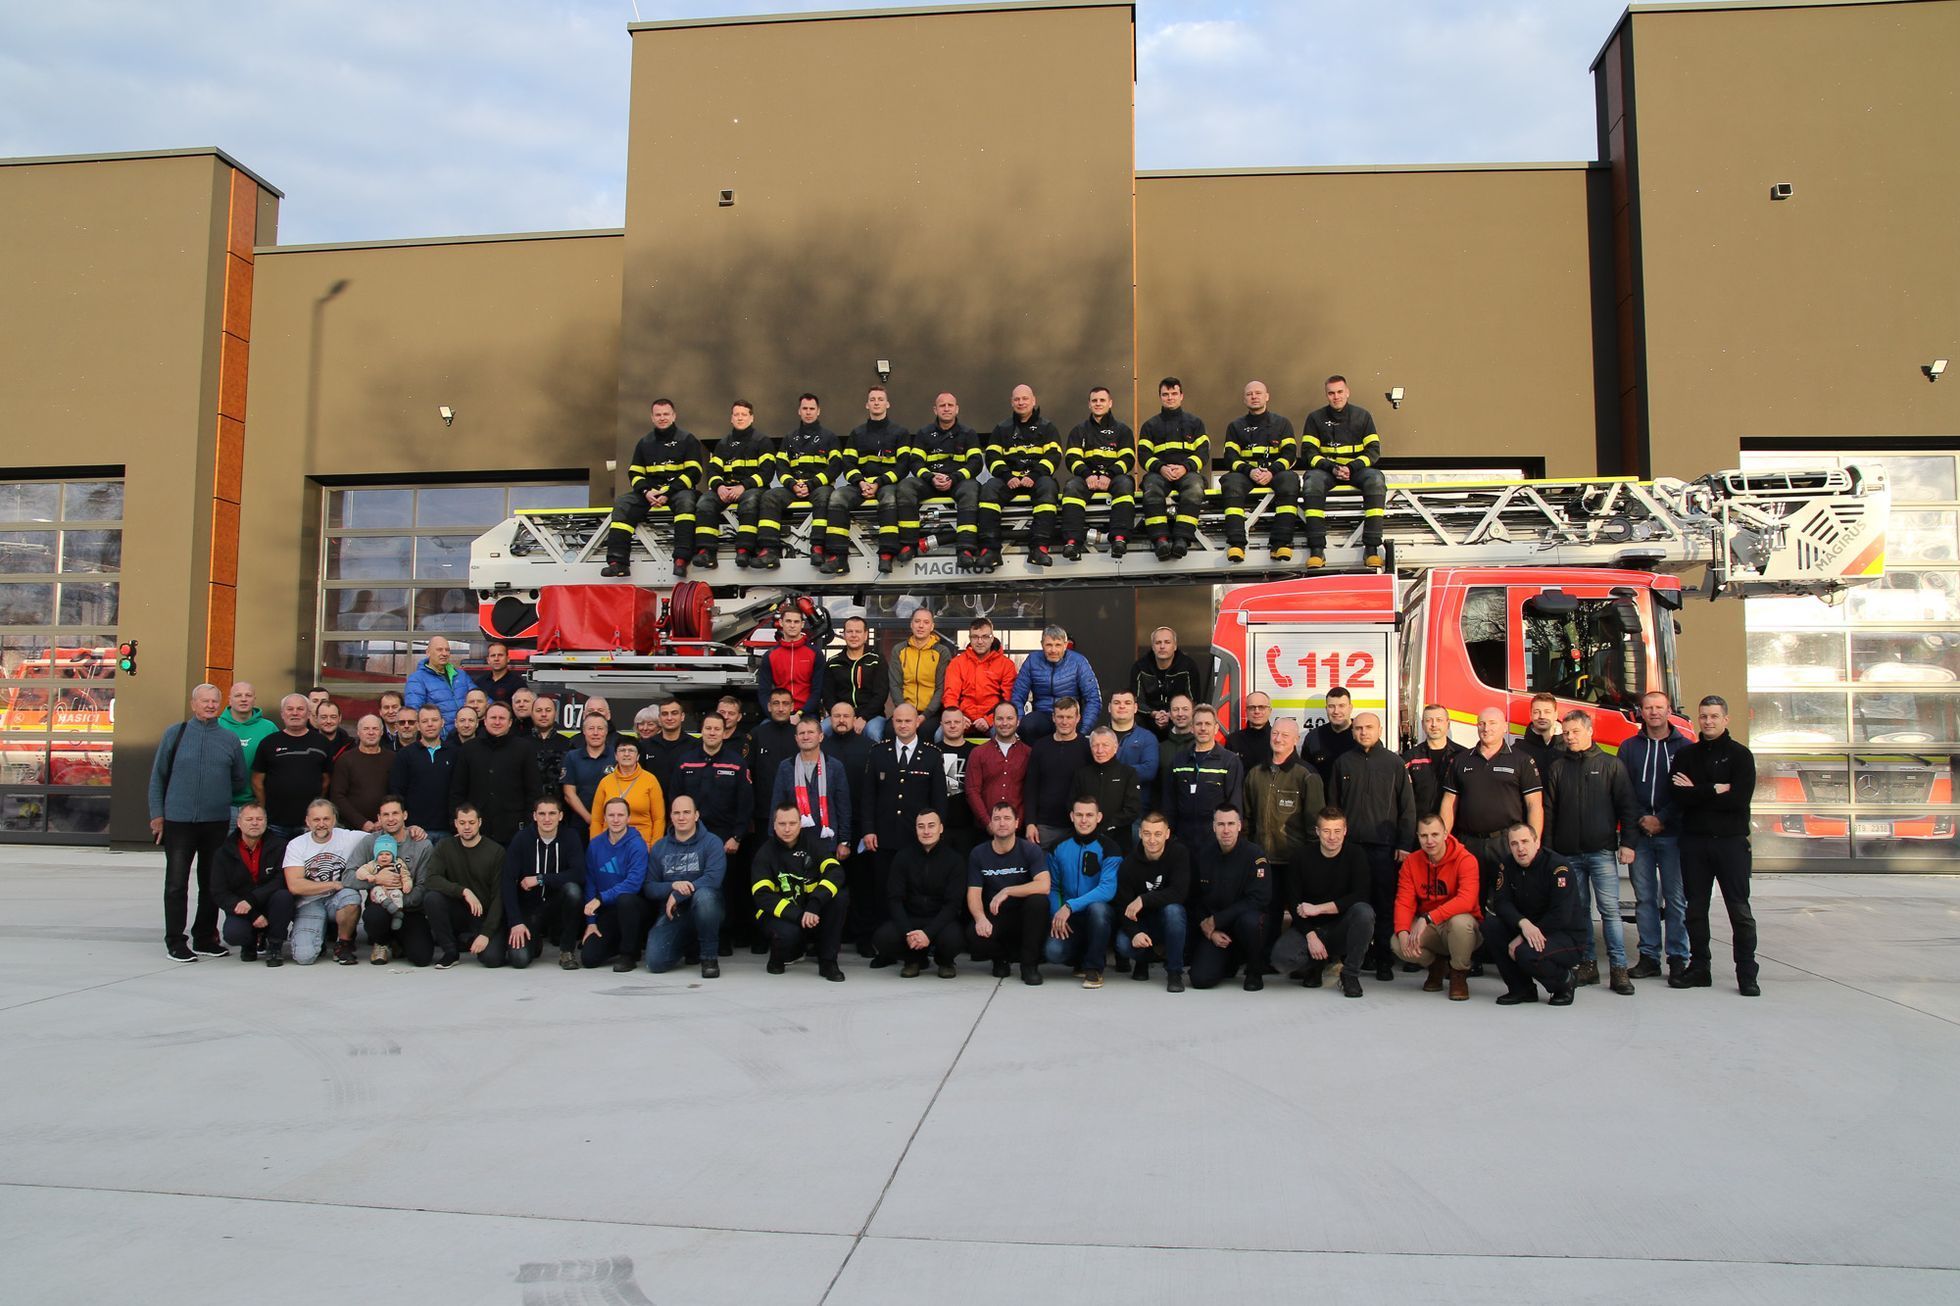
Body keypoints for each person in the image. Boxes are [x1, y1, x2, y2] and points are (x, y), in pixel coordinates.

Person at [149, 682, 249, 961]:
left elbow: (239, 778)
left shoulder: (229, 739)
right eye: (204, 701)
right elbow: (158, 777)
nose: (210, 705)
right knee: (176, 883)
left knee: (211, 883)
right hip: (178, 821)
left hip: (215, 822)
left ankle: (205, 937)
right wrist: (157, 815)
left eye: (214, 701)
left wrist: (216, 795)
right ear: (193, 704)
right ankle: (175, 941)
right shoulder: (175, 734)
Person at [1543, 710, 1640, 994]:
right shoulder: (1558, 768)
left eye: (1575, 731)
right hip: (1568, 854)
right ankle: (1587, 965)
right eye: (1566, 732)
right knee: (1580, 911)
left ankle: (1619, 969)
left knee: (1610, 911)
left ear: (1589, 731)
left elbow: (1628, 807)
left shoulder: (1611, 765)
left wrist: (1628, 843)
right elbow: (1549, 812)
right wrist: (1549, 852)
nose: (1570, 737)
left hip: (1602, 852)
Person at [1668, 695, 1760, 995]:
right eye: (1704, 716)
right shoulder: (1686, 755)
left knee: (1739, 911)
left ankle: (1747, 973)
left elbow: (1739, 800)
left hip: (1731, 844)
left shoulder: (1741, 756)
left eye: (1714, 716)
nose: (1708, 721)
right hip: (1694, 843)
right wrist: (1714, 789)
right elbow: (1678, 797)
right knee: (1695, 909)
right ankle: (1699, 969)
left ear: (1726, 719)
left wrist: (1696, 792)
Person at [1330, 711, 1417, 980]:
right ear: (1352, 731)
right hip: (1351, 848)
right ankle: (1357, 956)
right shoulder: (1343, 763)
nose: (1363, 732)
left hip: (1384, 848)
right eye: (1358, 728)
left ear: (1380, 730)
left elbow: (1408, 808)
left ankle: (1383, 960)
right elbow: (1333, 807)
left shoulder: (1394, 763)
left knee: (1383, 904)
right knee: (1354, 904)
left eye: (1369, 727)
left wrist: (1404, 844)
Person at [857, 703, 946, 960]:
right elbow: (868, 797)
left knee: (914, 893)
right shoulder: (878, 752)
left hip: (918, 839)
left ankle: (917, 947)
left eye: (908, 721)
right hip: (884, 837)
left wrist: (936, 836)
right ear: (892, 723)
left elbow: (939, 801)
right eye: (898, 721)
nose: (903, 725)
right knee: (884, 891)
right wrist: (868, 830)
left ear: (917, 723)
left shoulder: (931, 754)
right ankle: (886, 948)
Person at [1620, 689, 1693, 983]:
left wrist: (1661, 819)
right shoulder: (1629, 748)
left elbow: (1686, 793)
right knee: (1645, 899)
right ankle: (1649, 957)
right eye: (1648, 707)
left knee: (1676, 898)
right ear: (1641, 712)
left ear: (1669, 710)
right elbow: (1623, 791)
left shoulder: (1685, 748)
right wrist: (1642, 819)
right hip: (1640, 836)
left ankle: (1677, 957)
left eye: (1659, 707)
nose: (1653, 712)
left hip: (1673, 835)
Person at [602, 397, 707, 578]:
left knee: (687, 501)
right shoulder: (644, 443)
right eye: (658, 415)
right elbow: (634, 473)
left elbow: (694, 472)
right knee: (623, 503)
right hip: (649, 492)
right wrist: (646, 491)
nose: (662, 418)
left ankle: (681, 559)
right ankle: (617, 562)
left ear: (674, 416)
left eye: (666, 414)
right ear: (652, 417)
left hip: (677, 491)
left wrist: (669, 492)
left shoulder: (687, 440)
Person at [1487, 821, 1584, 1006]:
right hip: (1529, 927)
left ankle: (1564, 982)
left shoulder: (1557, 867)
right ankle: (1521, 989)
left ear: (1536, 842)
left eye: (1525, 841)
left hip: (1564, 935)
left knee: (1525, 952)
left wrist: (1524, 936)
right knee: (1491, 926)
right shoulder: (1507, 865)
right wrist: (1523, 924)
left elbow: (1561, 915)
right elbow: (1502, 903)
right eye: (1514, 844)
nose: (1520, 848)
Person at [1282, 806, 1374, 997]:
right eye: (1326, 831)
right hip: (1311, 929)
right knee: (1282, 959)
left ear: (1345, 831)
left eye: (1337, 831)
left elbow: (1361, 895)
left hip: (1341, 929)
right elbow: (1293, 902)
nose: (1332, 837)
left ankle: (1349, 974)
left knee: (1364, 912)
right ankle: (1315, 964)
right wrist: (1310, 936)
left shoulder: (1356, 855)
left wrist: (1318, 909)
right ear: (1317, 831)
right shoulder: (1301, 857)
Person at [750, 802, 848, 980]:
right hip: (783, 916)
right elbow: (762, 896)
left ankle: (828, 961)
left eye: (792, 823)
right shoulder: (764, 853)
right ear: (774, 825)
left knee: (840, 897)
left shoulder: (814, 845)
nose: (787, 829)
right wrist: (798, 915)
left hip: (811, 912)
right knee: (788, 935)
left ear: (800, 824)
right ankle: (778, 956)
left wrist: (815, 903)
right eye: (782, 824)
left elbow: (835, 872)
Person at [1390, 813, 1482, 1000]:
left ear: (1446, 834)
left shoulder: (1465, 859)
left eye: (1435, 834)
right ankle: (1436, 966)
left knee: (1460, 923)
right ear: (1418, 837)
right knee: (1397, 943)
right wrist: (1403, 931)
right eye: (1424, 836)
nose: (1429, 841)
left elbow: (1467, 900)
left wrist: (1428, 917)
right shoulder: (1411, 862)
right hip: (1431, 926)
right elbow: (1404, 901)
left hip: (1461, 927)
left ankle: (1458, 974)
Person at [1300, 374, 1387, 569]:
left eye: (1340, 392)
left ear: (1348, 392)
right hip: (1326, 471)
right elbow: (1308, 453)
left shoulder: (1363, 416)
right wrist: (1332, 468)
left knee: (1376, 480)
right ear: (1326, 395)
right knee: (1312, 482)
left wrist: (1352, 467)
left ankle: (1372, 549)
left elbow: (1373, 451)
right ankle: (1316, 550)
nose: (1336, 397)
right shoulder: (1315, 418)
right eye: (1331, 393)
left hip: (1357, 470)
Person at [894, 391, 983, 569]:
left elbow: (976, 463)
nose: (946, 408)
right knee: (905, 487)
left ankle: (965, 549)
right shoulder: (923, 433)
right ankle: (908, 545)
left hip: (958, 482)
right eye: (942, 405)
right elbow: (915, 462)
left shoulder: (968, 433)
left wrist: (954, 477)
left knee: (971, 489)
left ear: (957, 409)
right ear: (935, 410)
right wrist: (931, 477)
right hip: (930, 482)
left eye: (950, 405)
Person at [872, 808, 966, 977]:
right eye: (921, 826)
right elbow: (894, 899)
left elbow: (953, 904)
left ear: (941, 828)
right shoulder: (903, 857)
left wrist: (928, 933)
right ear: (915, 829)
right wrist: (908, 932)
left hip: (940, 919)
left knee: (954, 939)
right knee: (883, 938)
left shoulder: (954, 860)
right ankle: (913, 960)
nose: (926, 831)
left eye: (931, 826)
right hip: (911, 918)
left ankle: (945, 961)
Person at [965, 802, 1052, 984]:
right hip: (996, 914)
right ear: (990, 823)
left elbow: (1044, 885)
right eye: (997, 819)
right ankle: (1001, 958)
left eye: (1007, 818)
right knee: (974, 934)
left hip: (1024, 915)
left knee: (1039, 902)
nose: (1002, 823)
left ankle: (1029, 966)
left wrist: (1008, 890)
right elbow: (973, 893)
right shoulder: (978, 853)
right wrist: (980, 918)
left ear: (1017, 823)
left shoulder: (1030, 850)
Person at [824, 385, 906, 576]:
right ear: (867, 405)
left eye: (880, 399)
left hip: (886, 484)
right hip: (860, 485)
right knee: (837, 498)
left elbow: (902, 466)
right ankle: (838, 557)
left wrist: (878, 483)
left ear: (887, 404)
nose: (876, 403)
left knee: (889, 499)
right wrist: (860, 482)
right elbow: (848, 464)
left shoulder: (900, 433)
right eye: (872, 400)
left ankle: (886, 555)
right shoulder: (857, 433)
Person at [979, 383, 1063, 568]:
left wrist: (1034, 475)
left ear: (1033, 401)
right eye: (1017, 399)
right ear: (1011, 402)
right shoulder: (1002, 428)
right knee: (989, 489)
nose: (1021, 402)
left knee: (1048, 487)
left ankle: (1039, 548)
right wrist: (1007, 476)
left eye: (1025, 398)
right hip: (1009, 480)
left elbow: (1054, 456)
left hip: (1037, 480)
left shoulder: (1047, 427)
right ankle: (991, 551)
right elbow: (992, 457)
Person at [643, 795, 728, 978]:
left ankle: (709, 957)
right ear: (671, 816)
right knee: (655, 963)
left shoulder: (712, 842)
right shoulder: (660, 847)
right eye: (677, 813)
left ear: (696, 815)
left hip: (707, 908)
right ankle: (690, 943)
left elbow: (713, 879)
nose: (681, 817)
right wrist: (673, 886)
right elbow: (649, 887)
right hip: (675, 914)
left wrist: (678, 894)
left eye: (687, 812)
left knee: (705, 896)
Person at [1189, 805, 1272, 991]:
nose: (1226, 830)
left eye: (1231, 824)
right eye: (1221, 824)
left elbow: (1259, 899)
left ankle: (1254, 971)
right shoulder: (1204, 855)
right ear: (1213, 827)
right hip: (1217, 930)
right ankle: (1230, 961)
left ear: (1239, 826)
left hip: (1243, 925)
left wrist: (1217, 920)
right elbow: (1195, 899)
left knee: (1251, 922)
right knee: (1200, 979)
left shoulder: (1255, 855)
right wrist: (1209, 930)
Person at [1040, 796, 1121, 986]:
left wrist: (1070, 906)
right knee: (1053, 952)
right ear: (1072, 816)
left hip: (1098, 916)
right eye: (1079, 815)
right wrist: (1057, 914)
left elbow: (1107, 890)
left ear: (1098, 817)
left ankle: (1093, 969)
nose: (1084, 820)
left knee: (1098, 909)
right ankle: (1079, 960)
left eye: (1089, 815)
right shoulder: (1058, 846)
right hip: (1070, 917)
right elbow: (1053, 886)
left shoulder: (1110, 848)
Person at [499, 794, 586, 971]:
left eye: (552, 813)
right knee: (519, 960)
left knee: (573, 891)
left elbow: (579, 874)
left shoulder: (570, 837)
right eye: (542, 814)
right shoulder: (522, 839)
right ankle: (535, 941)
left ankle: (567, 951)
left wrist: (540, 878)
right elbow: (507, 881)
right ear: (534, 816)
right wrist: (515, 921)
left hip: (557, 906)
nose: (547, 819)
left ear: (560, 816)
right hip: (530, 909)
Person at [1219, 380, 1300, 562]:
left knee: (1290, 480)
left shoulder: (1282, 423)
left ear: (1267, 396)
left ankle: (1281, 544)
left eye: (1258, 393)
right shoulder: (1235, 426)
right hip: (1246, 475)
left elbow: (1289, 454)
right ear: (1244, 399)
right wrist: (1249, 471)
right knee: (1231, 482)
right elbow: (1230, 457)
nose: (1254, 397)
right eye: (1249, 394)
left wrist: (1272, 471)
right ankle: (1237, 545)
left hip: (1275, 473)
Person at [351, 796, 437, 964]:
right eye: (385, 814)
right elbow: (348, 876)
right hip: (380, 907)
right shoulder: (370, 842)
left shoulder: (422, 845)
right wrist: (375, 879)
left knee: (422, 958)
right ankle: (381, 942)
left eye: (395, 813)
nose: (390, 819)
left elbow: (423, 885)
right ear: (379, 818)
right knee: (374, 916)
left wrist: (399, 902)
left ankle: (398, 941)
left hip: (411, 909)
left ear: (405, 815)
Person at [280, 798, 367, 966]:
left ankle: (343, 944)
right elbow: (295, 886)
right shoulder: (296, 845)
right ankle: (315, 938)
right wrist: (333, 885)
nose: (321, 824)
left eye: (326, 819)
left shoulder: (349, 837)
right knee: (304, 957)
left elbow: (381, 836)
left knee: (351, 897)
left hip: (338, 898)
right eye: (316, 819)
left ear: (334, 819)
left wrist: (412, 830)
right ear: (307, 821)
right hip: (309, 902)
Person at [1112, 811, 1190, 990]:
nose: (1152, 840)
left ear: (1167, 834)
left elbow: (1179, 893)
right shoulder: (1128, 864)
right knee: (1123, 943)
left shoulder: (1178, 853)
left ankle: (1174, 972)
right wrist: (1135, 933)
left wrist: (1143, 899)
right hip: (1142, 922)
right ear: (1140, 833)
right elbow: (1122, 906)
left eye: (1157, 834)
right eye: (1147, 833)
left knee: (1174, 910)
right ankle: (1142, 961)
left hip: (1166, 921)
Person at [767, 393, 843, 570]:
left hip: (819, 486)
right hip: (793, 487)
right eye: (805, 409)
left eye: (812, 409)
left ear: (818, 411)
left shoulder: (829, 437)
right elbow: (781, 468)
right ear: (799, 411)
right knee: (769, 497)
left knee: (824, 498)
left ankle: (817, 547)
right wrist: (792, 484)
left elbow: (835, 467)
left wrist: (811, 484)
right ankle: (769, 550)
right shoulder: (789, 438)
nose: (808, 412)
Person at [1060, 385, 1136, 560]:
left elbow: (1127, 459)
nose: (1098, 403)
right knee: (1071, 487)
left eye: (1102, 400)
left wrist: (1109, 475)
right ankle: (1072, 542)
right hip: (1087, 478)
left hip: (1114, 478)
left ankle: (1119, 539)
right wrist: (1088, 475)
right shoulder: (1079, 430)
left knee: (1125, 484)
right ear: (1089, 404)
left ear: (1110, 403)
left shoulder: (1123, 430)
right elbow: (1071, 458)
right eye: (1094, 400)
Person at [212, 802, 292, 966]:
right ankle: (249, 944)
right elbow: (219, 892)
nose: (255, 823)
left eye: (259, 819)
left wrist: (252, 899)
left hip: (270, 903)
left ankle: (275, 946)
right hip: (242, 908)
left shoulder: (280, 846)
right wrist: (252, 914)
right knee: (234, 934)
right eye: (249, 819)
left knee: (284, 896)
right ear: (239, 823)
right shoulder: (224, 852)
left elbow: (281, 880)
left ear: (266, 822)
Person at [700, 399, 777, 569]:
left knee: (749, 502)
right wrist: (719, 487)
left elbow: (767, 473)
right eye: (736, 415)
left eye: (744, 414)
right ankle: (706, 552)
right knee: (705, 502)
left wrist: (743, 486)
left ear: (752, 418)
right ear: (731, 418)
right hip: (725, 489)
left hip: (753, 489)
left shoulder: (763, 441)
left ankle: (744, 550)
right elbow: (712, 471)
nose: (740, 418)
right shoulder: (722, 444)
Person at [449, 702, 540, 845]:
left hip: (513, 830)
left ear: (510, 723)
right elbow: (458, 791)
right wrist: (456, 824)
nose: (497, 722)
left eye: (502, 718)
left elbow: (533, 790)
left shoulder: (524, 748)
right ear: (485, 721)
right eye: (493, 718)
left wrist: (528, 825)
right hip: (476, 830)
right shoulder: (468, 749)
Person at [1161, 704, 1244, 857]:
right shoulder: (1179, 760)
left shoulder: (1229, 761)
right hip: (1182, 841)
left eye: (1208, 724)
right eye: (1199, 724)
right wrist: (1170, 837)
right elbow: (1169, 803)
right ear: (1192, 728)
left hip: (1215, 842)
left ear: (1216, 728)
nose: (1203, 728)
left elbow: (1234, 804)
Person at [1138, 377, 1207, 560]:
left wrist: (1185, 468)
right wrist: (1160, 468)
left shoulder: (1195, 423)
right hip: (1159, 474)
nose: (1170, 398)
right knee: (1151, 489)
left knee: (1195, 488)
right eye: (1165, 394)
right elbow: (1143, 455)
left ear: (1181, 396)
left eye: (1174, 393)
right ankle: (1160, 539)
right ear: (1160, 397)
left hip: (1187, 473)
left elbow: (1203, 453)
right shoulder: (1150, 426)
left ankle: (1182, 539)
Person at [581, 797, 650, 971]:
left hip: (633, 908)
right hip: (607, 910)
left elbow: (633, 884)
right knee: (589, 958)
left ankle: (628, 955)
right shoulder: (595, 845)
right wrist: (591, 922)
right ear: (604, 818)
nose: (616, 819)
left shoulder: (637, 844)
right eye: (611, 815)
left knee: (625, 899)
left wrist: (600, 898)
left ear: (628, 818)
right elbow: (590, 883)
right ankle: (620, 943)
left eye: (621, 815)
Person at [253, 693, 333, 841]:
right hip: (275, 823)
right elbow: (257, 781)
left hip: (311, 823)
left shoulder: (322, 743)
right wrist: (264, 809)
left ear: (308, 714)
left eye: (300, 709)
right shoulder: (268, 743)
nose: (295, 713)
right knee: (276, 856)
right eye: (290, 709)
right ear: (282, 714)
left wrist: (318, 805)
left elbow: (326, 779)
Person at [674, 711, 753, 861]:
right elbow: (675, 797)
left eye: (717, 729)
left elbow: (745, 803)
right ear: (701, 731)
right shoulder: (685, 762)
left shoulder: (737, 763)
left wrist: (737, 837)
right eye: (708, 728)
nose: (712, 733)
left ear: (724, 733)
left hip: (725, 837)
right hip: (690, 834)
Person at [1245, 716, 1321, 871]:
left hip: (1294, 862)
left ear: (1296, 740)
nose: (1278, 739)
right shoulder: (1255, 773)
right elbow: (1246, 819)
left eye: (1285, 735)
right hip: (1259, 860)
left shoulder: (1307, 775)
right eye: (1275, 733)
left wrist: (1312, 860)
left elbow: (1315, 823)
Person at [772, 714, 853, 857]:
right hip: (793, 841)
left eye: (810, 732)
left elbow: (843, 806)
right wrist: (774, 839)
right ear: (796, 738)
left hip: (827, 840)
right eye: (801, 733)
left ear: (820, 737)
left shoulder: (835, 766)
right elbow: (777, 804)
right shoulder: (786, 767)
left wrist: (845, 841)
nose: (806, 737)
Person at [1010, 624, 1102, 739]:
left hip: (1069, 715)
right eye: (1049, 645)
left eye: (1058, 645)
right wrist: (1019, 721)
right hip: (1043, 714)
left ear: (1065, 645)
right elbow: (1018, 695)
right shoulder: (1032, 660)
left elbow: (1093, 699)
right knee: (1028, 725)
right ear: (1042, 644)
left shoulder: (1079, 662)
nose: (1053, 650)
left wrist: (1083, 732)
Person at [1023, 697, 1092, 848]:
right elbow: (1031, 787)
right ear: (1053, 718)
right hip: (1044, 826)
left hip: (1078, 825)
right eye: (1060, 717)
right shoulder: (1040, 746)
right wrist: (1030, 823)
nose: (1064, 722)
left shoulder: (1087, 748)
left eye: (1069, 717)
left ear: (1078, 718)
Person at [389, 706, 456, 841]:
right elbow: (397, 792)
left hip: (449, 830)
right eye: (425, 721)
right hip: (416, 831)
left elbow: (459, 791)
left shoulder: (455, 753)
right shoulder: (405, 755)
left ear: (442, 722)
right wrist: (407, 825)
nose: (430, 724)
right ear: (418, 725)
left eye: (434, 720)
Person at [1071, 727, 1140, 852]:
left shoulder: (1128, 773)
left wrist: (1107, 825)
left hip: (1119, 841)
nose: (1100, 750)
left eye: (1105, 745)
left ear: (1115, 747)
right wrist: (1088, 823)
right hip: (1085, 841)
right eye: (1095, 745)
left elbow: (1132, 809)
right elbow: (1071, 804)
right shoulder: (1082, 774)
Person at [1129, 626, 1206, 736]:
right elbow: (1136, 701)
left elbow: (1193, 701)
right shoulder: (1140, 667)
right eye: (1158, 643)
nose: (1162, 646)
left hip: (1178, 717)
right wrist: (1154, 714)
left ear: (1175, 646)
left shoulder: (1188, 667)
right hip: (1148, 718)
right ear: (1153, 647)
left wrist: (1171, 715)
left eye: (1167, 642)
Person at [944, 615, 1018, 730]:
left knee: (1006, 733)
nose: (980, 641)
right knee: (939, 735)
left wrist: (989, 719)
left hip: (994, 720)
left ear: (992, 638)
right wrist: (958, 718)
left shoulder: (1006, 665)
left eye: (985, 637)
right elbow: (950, 695)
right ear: (970, 638)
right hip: (962, 718)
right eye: (975, 637)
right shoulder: (957, 663)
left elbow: (1008, 699)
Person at [966, 702, 1033, 830]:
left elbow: (1030, 793)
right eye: (1000, 718)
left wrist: (1017, 822)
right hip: (985, 829)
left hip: (1018, 830)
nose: (1005, 723)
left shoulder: (1028, 753)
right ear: (993, 721)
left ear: (1018, 722)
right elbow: (972, 791)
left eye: (1009, 718)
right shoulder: (978, 753)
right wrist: (987, 823)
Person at [823, 615, 889, 741]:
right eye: (849, 631)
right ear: (844, 635)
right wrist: (841, 716)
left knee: (873, 732)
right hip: (840, 714)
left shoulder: (877, 660)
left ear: (865, 635)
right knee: (823, 730)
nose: (854, 635)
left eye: (858, 631)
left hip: (871, 716)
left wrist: (863, 717)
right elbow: (827, 695)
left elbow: (881, 694)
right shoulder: (833, 662)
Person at [591, 737, 666, 848]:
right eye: (622, 750)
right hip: (609, 843)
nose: (626, 754)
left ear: (638, 756)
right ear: (616, 756)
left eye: (631, 750)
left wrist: (654, 847)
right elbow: (596, 820)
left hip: (642, 844)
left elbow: (659, 819)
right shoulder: (605, 782)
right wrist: (596, 846)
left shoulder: (650, 780)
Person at [217, 681, 279, 812]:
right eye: (238, 695)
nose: (243, 699)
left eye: (248, 695)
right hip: (223, 805)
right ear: (229, 700)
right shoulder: (217, 726)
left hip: (258, 804)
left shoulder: (269, 728)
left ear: (254, 699)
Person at [889, 606, 954, 729]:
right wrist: (905, 712)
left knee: (926, 731)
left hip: (931, 713)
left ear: (932, 626)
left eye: (926, 622)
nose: (921, 626)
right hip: (904, 711)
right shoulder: (899, 650)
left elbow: (941, 687)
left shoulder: (942, 652)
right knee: (890, 731)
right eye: (917, 621)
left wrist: (925, 715)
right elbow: (895, 685)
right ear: (911, 625)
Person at [756, 605, 826, 717]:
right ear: (781, 623)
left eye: (796, 622)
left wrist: (801, 714)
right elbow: (764, 691)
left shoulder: (815, 653)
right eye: (788, 621)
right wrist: (772, 714)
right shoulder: (770, 655)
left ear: (802, 624)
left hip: (807, 714)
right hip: (778, 714)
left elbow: (817, 691)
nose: (792, 625)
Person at [329, 714, 392, 831]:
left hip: (386, 826)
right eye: (366, 729)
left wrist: (385, 820)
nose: (371, 732)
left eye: (375, 728)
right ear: (358, 732)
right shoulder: (345, 759)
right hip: (352, 828)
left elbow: (396, 793)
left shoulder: (392, 758)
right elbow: (337, 796)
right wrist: (361, 822)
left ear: (381, 732)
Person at [1404, 702, 1467, 818]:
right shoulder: (1410, 758)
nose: (1434, 724)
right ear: (1422, 725)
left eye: (1439, 720)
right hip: (1421, 825)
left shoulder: (1463, 756)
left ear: (1448, 724)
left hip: (1455, 826)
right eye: (1428, 720)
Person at [558, 709, 616, 831]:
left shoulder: (616, 755)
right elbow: (569, 794)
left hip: (612, 823)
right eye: (591, 728)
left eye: (600, 728)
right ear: (584, 731)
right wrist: (590, 819)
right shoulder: (572, 757)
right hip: (579, 823)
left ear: (606, 731)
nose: (595, 733)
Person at [935, 707, 981, 853]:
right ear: (941, 725)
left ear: (964, 724)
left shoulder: (977, 752)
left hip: (970, 825)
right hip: (941, 825)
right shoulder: (933, 752)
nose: (952, 726)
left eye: (956, 722)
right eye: (948, 722)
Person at [403, 634, 476, 727]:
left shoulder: (461, 675)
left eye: (447, 650)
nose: (444, 653)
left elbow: (479, 699)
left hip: (465, 731)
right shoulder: (417, 679)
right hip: (439, 735)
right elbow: (414, 713)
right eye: (439, 650)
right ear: (428, 652)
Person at [1102, 690, 1160, 794]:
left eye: (1127, 703)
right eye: (1117, 703)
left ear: (1135, 708)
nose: (1122, 706)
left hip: (1136, 801)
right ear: (1109, 707)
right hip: (1104, 800)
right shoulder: (1098, 737)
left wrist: (1113, 771)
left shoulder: (1147, 738)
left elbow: (1149, 771)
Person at [639, 698, 695, 804]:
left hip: (684, 808)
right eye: (665, 714)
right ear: (659, 718)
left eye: (674, 713)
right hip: (652, 806)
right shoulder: (646, 746)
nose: (669, 718)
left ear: (682, 716)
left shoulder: (695, 746)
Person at [1301, 686, 1356, 783]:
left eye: (1341, 706)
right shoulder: (1313, 737)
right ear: (1326, 708)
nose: (1336, 711)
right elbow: (1304, 774)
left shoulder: (1363, 735)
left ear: (1350, 708)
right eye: (1331, 706)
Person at [1515, 692, 1567, 772]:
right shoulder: (1518, 749)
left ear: (1556, 715)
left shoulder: (1570, 748)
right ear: (1530, 715)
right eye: (1536, 712)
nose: (1542, 716)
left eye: (1547, 712)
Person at [1228, 691, 1274, 766]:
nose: (1257, 711)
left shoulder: (1278, 739)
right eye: (1252, 707)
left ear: (1270, 711)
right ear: (1246, 711)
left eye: (1261, 707)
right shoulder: (1234, 740)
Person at [478, 641, 527, 706]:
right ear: (488, 660)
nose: (496, 659)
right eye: (493, 655)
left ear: (508, 659)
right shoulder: (480, 683)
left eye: (500, 655)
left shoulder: (518, 684)